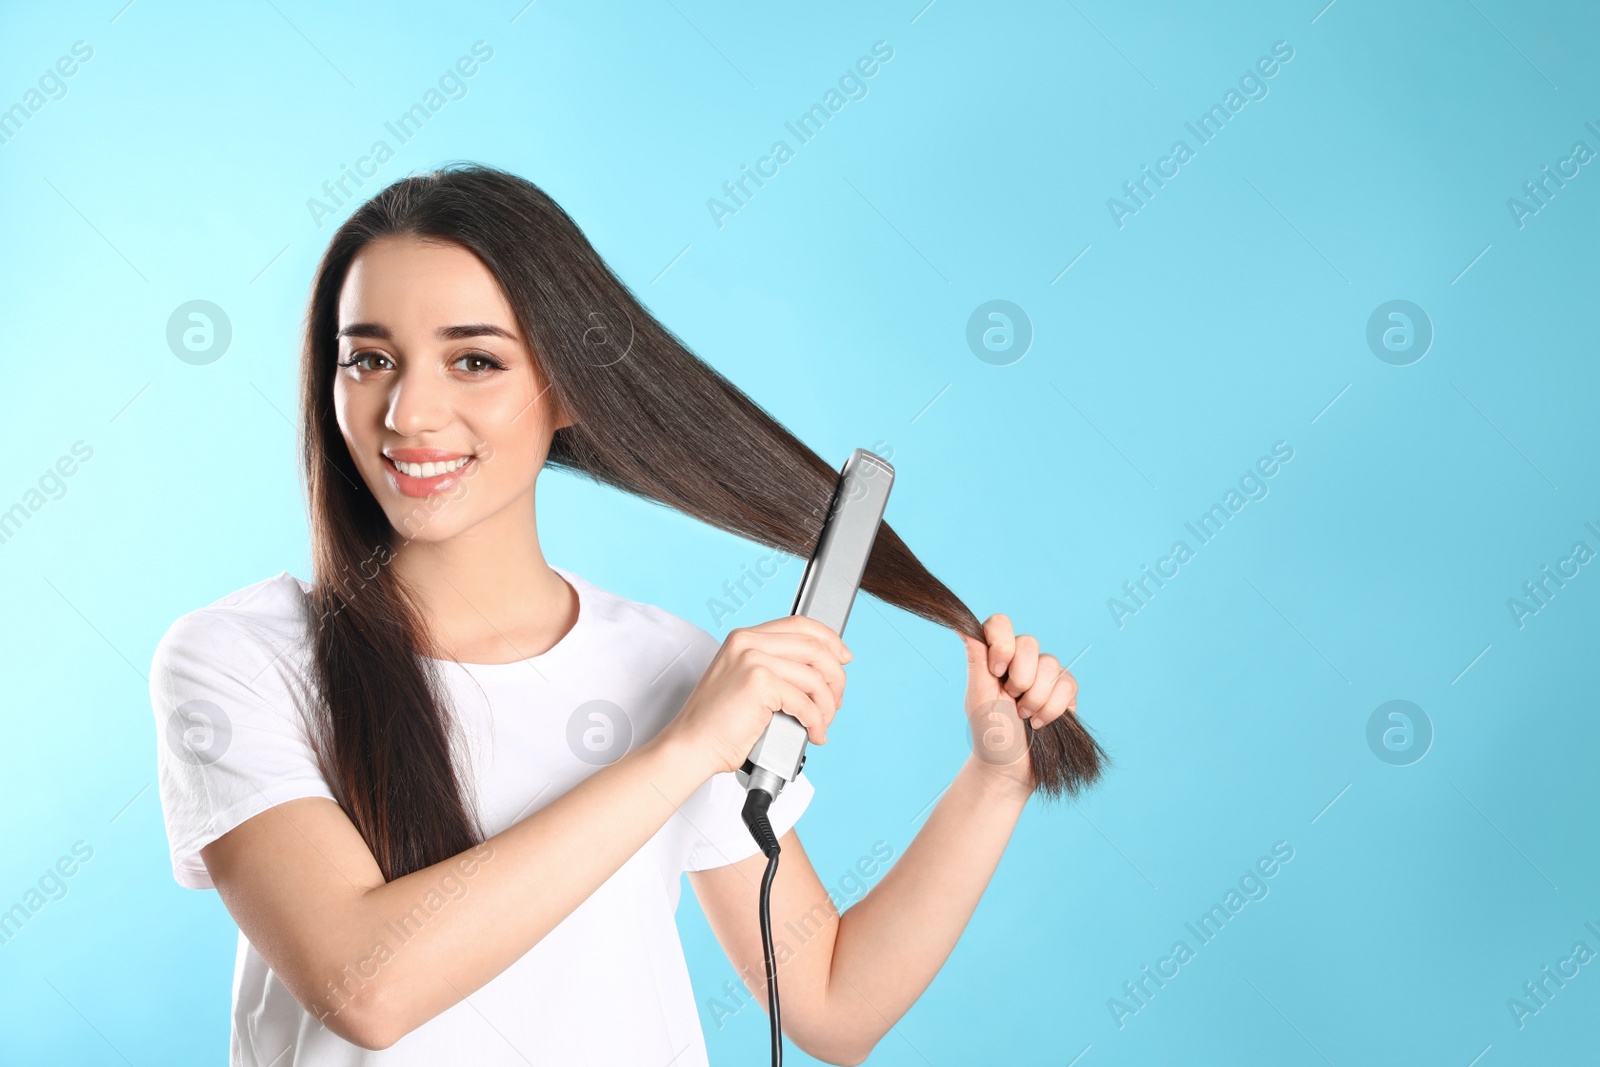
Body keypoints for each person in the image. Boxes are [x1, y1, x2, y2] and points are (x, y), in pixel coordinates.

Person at [149, 163, 1097, 1066]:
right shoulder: (237, 659)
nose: (409, 411)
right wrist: (682, 751)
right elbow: (367, 985)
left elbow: (833, 1006)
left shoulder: (665, 667)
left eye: (474, 359)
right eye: (369, 360)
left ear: (563, 387)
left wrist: (994, 779)